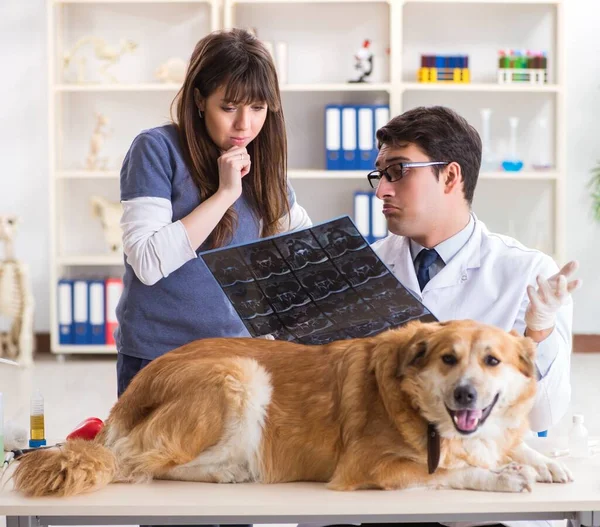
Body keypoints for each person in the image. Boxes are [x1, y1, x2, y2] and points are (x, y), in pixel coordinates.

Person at [365, 105, 580, 527]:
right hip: (387, 489)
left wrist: (539, 328)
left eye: (398, 171)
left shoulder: (527, 273)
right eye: (379, 175)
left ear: (450, 176)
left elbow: (543, 418)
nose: (381, 191)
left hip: (481, 510)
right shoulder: (364, 265)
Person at [115, 28, 311, 398]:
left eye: (258, 108)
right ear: (200, 100)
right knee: (153, 457)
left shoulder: (263, 168)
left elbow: (305, 247)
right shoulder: (156, 150)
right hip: (159, 358)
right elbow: (148, 262)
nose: (245, 125)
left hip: (235, 358)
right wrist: (224, 194)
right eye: (229, 107)